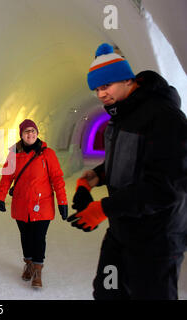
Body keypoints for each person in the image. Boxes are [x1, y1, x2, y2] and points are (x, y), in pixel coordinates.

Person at [68, 43, 187, 299]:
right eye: (97, 89)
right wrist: (93, 178)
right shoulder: (122, 115)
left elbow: (165, 188)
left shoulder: (165, 118)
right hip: (122, 232)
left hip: (157, 240)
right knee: (107, 292)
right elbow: (128, 162)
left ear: (127, 80)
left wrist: (103, 209)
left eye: (105, 86)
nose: (101, 95)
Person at [0, 119, 68, 288]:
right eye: (26, 131)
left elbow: (57, 178)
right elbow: (7, 177)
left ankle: (37, 270)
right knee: (26, 237)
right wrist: (0, 197)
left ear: (37, 133)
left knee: (38, 237)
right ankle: (28, 264)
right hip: (21, 204)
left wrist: (62, 202)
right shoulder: (14, 154)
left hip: (42, 204)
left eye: (33, 131)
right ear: (21, 135)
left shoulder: (47, 154)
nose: (30, 134)